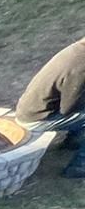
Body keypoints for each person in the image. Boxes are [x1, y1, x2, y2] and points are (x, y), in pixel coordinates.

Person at [16, 37, 85, 177]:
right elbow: (68, 108)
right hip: (38, 119)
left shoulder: (76, 51)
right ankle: (80, 166)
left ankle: (73, 142)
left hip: (31, 110)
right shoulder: (81, 68)